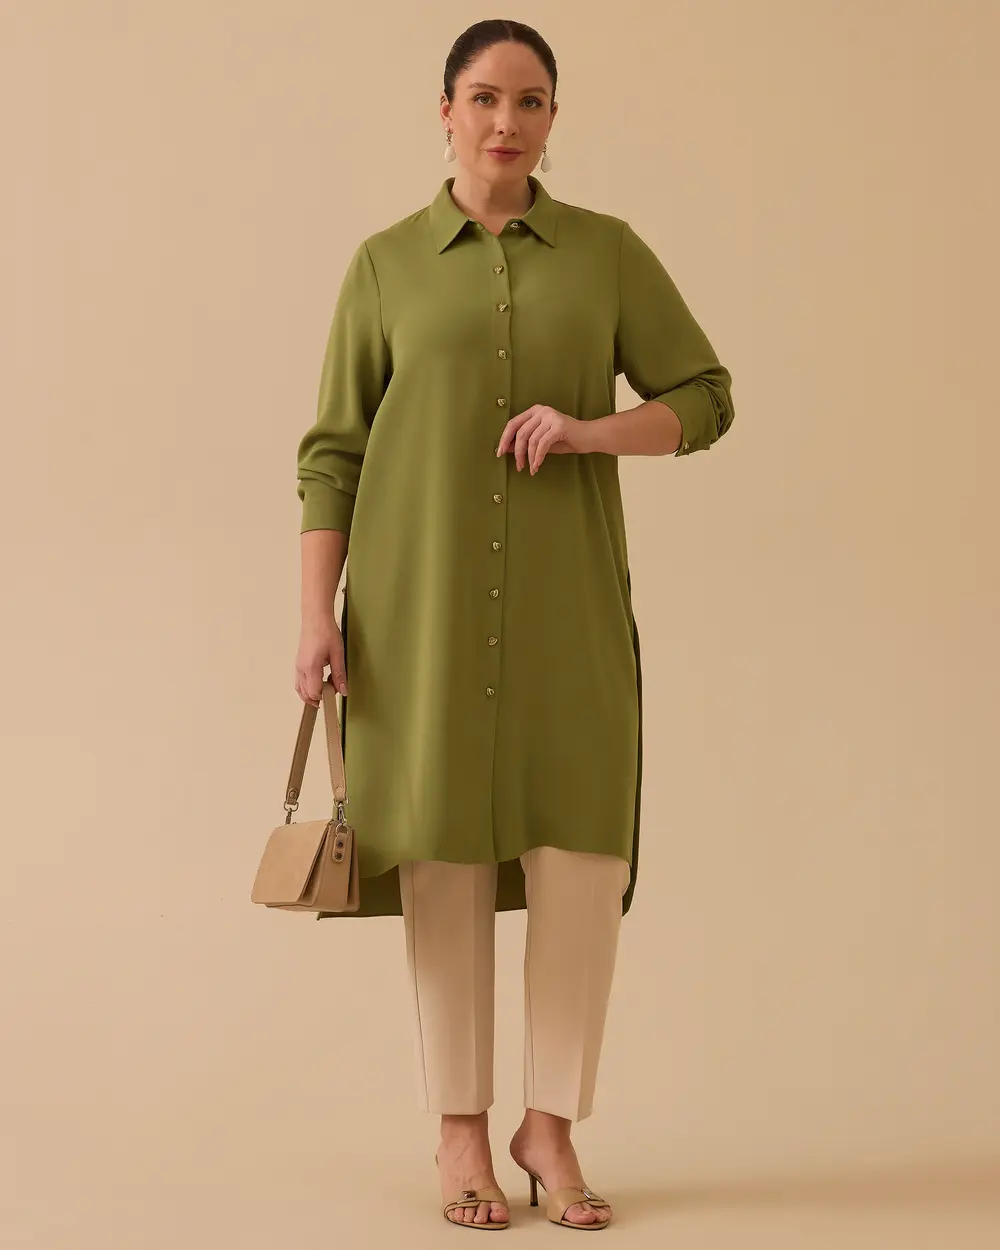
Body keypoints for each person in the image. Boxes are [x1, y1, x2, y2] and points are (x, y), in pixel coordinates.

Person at [292, 18, 735, 1232]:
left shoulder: (606, 254)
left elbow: (705, 397)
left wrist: (589, 430)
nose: (506, 120)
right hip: (416, 616)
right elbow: (332, 453)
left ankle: (551, 1123)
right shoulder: (385, 265)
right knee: (441, 863)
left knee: (580, 864)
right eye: (484, 97)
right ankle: (459, 1133)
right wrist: (315, 613)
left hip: (568, 614)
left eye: (530, 100)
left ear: (551, 118)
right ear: (444, 111)